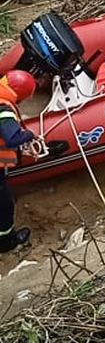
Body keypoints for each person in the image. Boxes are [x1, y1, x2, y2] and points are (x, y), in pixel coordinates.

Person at [0, 69, 39, 254]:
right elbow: (12, 139)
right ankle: (7, 242)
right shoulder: (4, 109)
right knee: (5, 204)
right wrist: (30, 134)